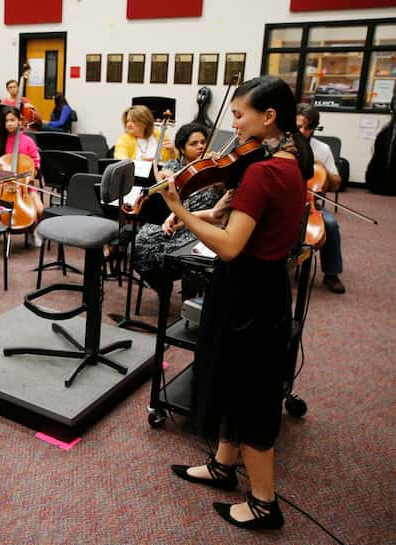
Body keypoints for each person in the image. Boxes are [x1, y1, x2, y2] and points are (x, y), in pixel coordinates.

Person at [163, 76, 310, 530]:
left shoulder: (263, 172)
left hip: (248, 294)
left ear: (269, 117)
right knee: (233, 382)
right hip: (262, 289)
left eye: (240, 114)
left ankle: (265, 504)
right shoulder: (289, 160)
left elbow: (229, 246)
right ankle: (224, 466)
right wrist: (215, 208)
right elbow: (249, 220)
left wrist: (180, 209)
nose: (234, 122)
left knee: (251, 398)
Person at [133, 123, 228, 284]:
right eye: (193, 143)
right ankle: (162, 287)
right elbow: (162, 190)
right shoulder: (174, 167)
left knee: (184, 256)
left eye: (203, 142)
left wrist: (220, 178)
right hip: (170, 218)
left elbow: (226, 198)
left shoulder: (215, 168)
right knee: (141, 243)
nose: (201, 146)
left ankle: (186, 290)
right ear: (182, 148)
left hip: (201, 223)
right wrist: (164, 178)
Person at [296, 103, 346, 294]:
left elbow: (336, 183)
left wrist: (320, 166)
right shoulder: (282, 144)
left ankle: (331, 274)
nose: (297, 131)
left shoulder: (322, 149)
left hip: (309, 202)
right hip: (283, 200)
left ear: (312, 129)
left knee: (331, 225)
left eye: (301, 127)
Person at [0, 106, 44, 243]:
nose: (9, 123)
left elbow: (35, 162)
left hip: (23, 187)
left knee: (39, 208)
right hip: (1, 185)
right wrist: (0, 162)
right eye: (6, 120)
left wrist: (31, 175)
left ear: (19, 121)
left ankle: (32, 229)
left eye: (12, 120)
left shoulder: (28, 142)